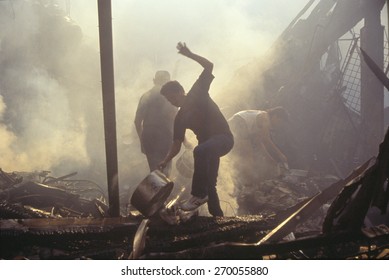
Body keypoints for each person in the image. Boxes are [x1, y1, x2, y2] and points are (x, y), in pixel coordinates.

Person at [158, 42, 234, 217]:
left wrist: (189, 54)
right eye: (169, 101)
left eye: (173, 98)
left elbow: (209, 66)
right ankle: (218, 218)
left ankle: (198, 195)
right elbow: (176, 144)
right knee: (210, 183)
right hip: (209, 149)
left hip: (223, 139)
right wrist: (165, 160)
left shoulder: (197, 92)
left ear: (181, 91)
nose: (172, 103)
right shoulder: (179, 118)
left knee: (199, 151)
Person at [228, 107, 289, 187]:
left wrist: (271, 160)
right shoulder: (265, 118)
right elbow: (266, 139)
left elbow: (260, 143)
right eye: (280, 122)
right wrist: (280, 154)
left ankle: (240, 181)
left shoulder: (262, 123)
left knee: (244, 156)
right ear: (275, 116)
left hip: (237, 124)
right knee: (248, 156)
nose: (279, 125)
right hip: (238, 122)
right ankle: (246, 184)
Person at [134, 70, 177, 176]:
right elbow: (175, 119)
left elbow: (137, 121)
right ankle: (165, 191)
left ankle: (155, 190)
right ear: (169, 82)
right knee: (165, 171)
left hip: (148, 137)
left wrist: (142, 140)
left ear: (154, 81)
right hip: (166, 137)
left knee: (154, 171)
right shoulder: (170, 97)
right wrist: (183, 140)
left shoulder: (146, 96)